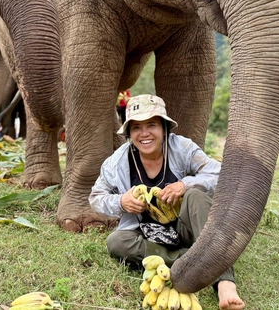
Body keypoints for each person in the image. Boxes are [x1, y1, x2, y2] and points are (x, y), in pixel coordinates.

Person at [90, 94, 245, 310]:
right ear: (129, 133)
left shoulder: (182, 148)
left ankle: (224, 283)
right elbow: (96, 197)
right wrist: (121, 202)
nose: (144, 133)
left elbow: (220, 174)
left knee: (196, 196)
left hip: (186, 228)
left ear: (164, 128)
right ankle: (198, 257)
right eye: (136, 127)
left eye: (151, 125)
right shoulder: (117, 162)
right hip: (148, 234)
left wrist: (185, 184)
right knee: (116, 242)